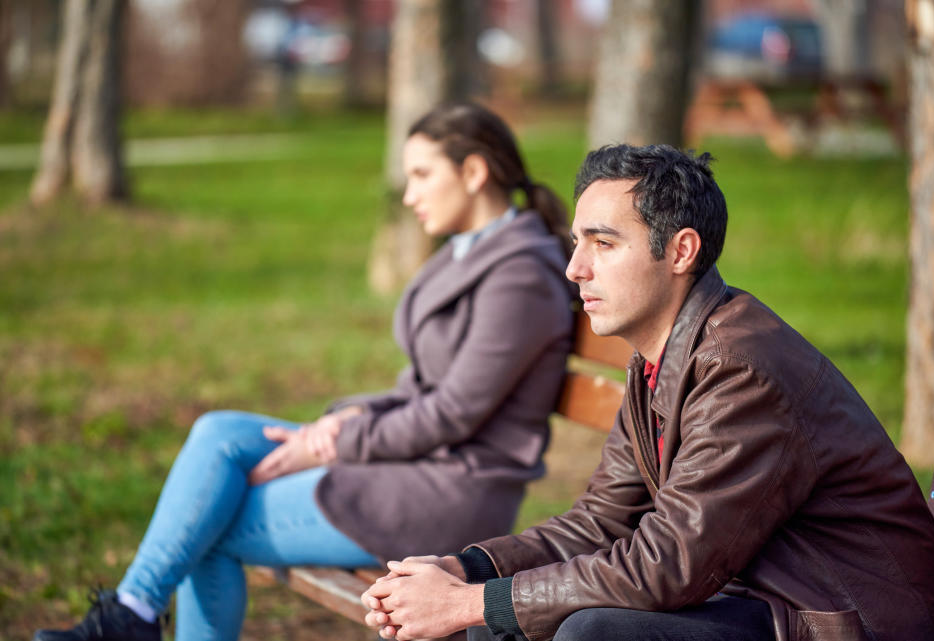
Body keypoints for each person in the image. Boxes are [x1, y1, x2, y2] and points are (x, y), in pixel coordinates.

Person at [360, 144, 934, 641]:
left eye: (603, 243)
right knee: (505, 618)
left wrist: (472, 603)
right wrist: (463, 568)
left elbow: (669, 565)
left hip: (845, 622)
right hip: (766, 599)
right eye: (577, 242)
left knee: (586, 632)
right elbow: (601, 521)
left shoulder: (739, 368)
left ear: (681, 251)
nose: (574, 268)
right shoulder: (660, 356)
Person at [34, 102, 575, 641]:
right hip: (412, 465)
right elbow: (422, 389)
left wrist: (334, 443)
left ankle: (133, 615)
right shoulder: (471, 253)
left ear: (474, 172)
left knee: (208, 527)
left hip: (450, 492)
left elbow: (452, 413)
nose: (409, 195)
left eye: (421, 175)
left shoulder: (519, 277)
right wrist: (342, 420)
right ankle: (134, 610)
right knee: (220, 432)